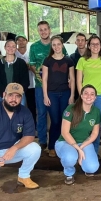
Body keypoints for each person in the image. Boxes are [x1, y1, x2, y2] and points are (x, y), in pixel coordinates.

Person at [0, 83, 41, 190]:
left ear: (21, 98)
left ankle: (23, 176)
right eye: (10, 95)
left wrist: (15, 148)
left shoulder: (25, 112)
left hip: (12, 150)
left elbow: (29, 136)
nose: (13, 99)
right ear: (4, 95)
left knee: (35, 148)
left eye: (17, 96)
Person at [29, 21, 68, 150]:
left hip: (57, 87)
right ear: (38, 31)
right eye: (41, 30)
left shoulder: (56, 45)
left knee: (57, 116)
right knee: (41, 113)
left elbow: (65, 62)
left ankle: (60, 140)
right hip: (41, 85)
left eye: (45, 29)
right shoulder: (34, 47)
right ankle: (42, 140)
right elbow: (32, 65)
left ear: (49, 30)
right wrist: (40, 76)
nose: (43, 32)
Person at [55, 85, 101, 184]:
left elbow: (94, 133)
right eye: (86, 93)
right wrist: (79, 150)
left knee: (92, 168)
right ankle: (69, 173)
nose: (89, 96)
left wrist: (82, 146)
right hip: (66, 142)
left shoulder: (96, 112)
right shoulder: (71, 108)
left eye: (92, 94)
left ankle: (83, 162)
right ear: (81, 95)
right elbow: (65, 132)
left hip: (83, 142)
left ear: (95, 97)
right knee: (70, 158)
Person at [42, 35, 76, 157]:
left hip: (65, 93)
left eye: (58, 44)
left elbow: (72, 79)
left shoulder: (68, 61)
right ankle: (52, 146)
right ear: (52, 46)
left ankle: (65, 145)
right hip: (52, 94)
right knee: (55, 121)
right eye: (54, 45)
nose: (56, 47)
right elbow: (44, 79)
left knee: (64, 121)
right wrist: (45, 95)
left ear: (62, 45)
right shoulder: (48, 61)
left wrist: (72, 95)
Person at [76, 35, 101, 154]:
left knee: (97, 124)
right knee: (84, 122)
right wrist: (82, 96)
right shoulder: (82, 60)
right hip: (86, 97)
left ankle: (94, 152)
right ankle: (83, 149)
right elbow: (79, 80)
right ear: (89, 46)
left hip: (100, 96)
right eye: (93, 44)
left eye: (97, 44)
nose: (95, 46)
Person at [0, 39, 29, 106]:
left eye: (13, 46)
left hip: (18, 93)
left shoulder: (21, 63)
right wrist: (4, 92)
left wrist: (18, 92)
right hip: (3, 93)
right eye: (8, 46)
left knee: (20, 112)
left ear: (16, 49)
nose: (11, 48)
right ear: (5, 47)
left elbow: (26, 81)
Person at [15, 34, 37, 129]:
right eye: (18, 40)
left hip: (32, 84)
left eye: (23, 40)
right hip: (18, 85)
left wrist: (30, 67)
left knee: (32, 106)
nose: (21, 42)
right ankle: (19, 127)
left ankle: (33, 126)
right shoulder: (14, 53)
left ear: (26, 41)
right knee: (19, 106)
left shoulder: (30, 53)